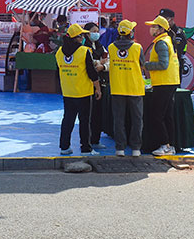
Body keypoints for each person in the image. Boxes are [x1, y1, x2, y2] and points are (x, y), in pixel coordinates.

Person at [56, 24, 100, 155]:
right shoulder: (84, 51)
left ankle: (64, 147)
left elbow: (58, 71)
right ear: (78, 37)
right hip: (83, 92)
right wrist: (98, 89)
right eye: (82, 35)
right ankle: (86, 148)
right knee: (84, 121)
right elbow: (92, 73)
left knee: (68, 119)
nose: (84, 38)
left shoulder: (59, 52)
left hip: (68, 92)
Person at [144, 11, 181, 156]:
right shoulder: (166, 40)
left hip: (164, 83)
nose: (151, 29)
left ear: (160, 29)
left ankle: (165, 145)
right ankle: (170, 146)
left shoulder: (161, 43)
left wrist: (146, 65)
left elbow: (163, 64)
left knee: (157, 115)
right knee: (167, 115)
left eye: (154, 26)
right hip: (169, 81)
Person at [107, 19, 144, 156]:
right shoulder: (137, 48)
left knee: (118, 119)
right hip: (135, 88)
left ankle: (120, 148)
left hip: (117, 87)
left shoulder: (111, 47)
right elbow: (142, 64)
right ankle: (136, 148)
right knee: (137, 119)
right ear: (131, 33)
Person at [82, 21, 108, 150]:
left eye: (97, 31)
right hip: (88, 84)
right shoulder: (84, 47)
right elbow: (89, 64)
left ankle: (96, 140)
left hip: (101, 82)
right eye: (93, 31)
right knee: (88, 114)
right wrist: (99, 62)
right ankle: (87, 140)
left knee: (98, 113)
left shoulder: (100, 46)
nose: (96, 34)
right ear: (87, 34)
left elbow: (108, 60)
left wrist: (102, 65)